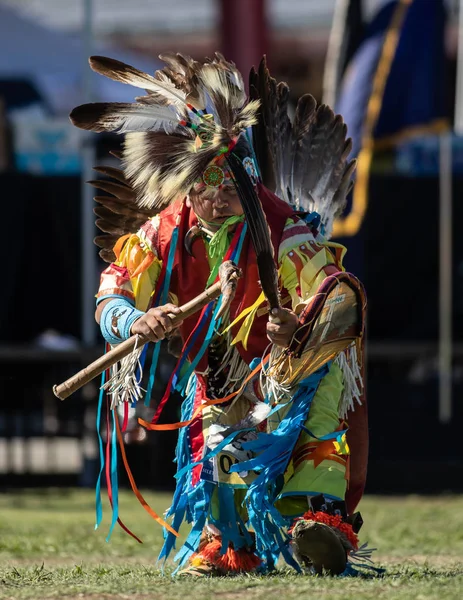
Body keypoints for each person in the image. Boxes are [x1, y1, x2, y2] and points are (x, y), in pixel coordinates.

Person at [71, 53, 371, 577]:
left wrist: (298, 325)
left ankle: (321, 522)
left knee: (319, 416)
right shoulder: (162, 233)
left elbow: (329, 286)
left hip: (292, 362)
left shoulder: (280, 227)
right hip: (220, 368)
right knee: (217, 444)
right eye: (208, 189)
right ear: (187, 187)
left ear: (249, 179)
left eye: (233, 186)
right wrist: (134, 321)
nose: (220, 197)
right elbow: (112, 291)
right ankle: (229, 543)